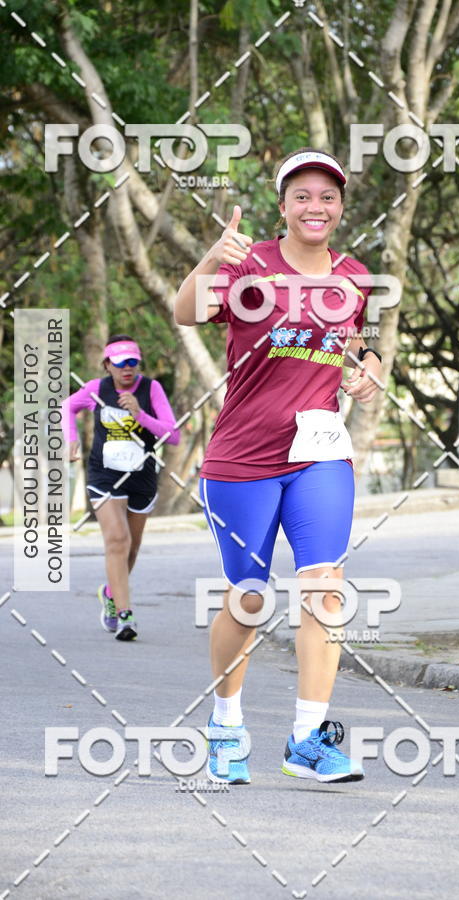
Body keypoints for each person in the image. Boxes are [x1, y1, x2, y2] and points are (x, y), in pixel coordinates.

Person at [174, 148, 383, 783]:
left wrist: (369, 370)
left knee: (324, 586)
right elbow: (186, 312)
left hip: (318, 454)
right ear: (284, 205)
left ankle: (306, 739)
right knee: (250, 598)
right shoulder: (250, 264)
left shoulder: (354, 275)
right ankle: (227, 724)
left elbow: (357, 343)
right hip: (242, 457)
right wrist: (213, 257)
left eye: (327, 196)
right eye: (303, 196)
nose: (315, 206)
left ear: (340, 207)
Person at [62, 335, 180, 641]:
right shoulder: (95, 390)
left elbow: (174, 435)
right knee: (117, 539)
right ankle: (126, 615)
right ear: (107, 365)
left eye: (132, 362)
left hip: (141, 475)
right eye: (120, 364)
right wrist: (71, 437)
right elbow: (66, 407)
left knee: (132, 546)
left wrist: (140, 415)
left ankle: (111, 593)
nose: (127, 369)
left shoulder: (150, 389)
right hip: (104, 474)